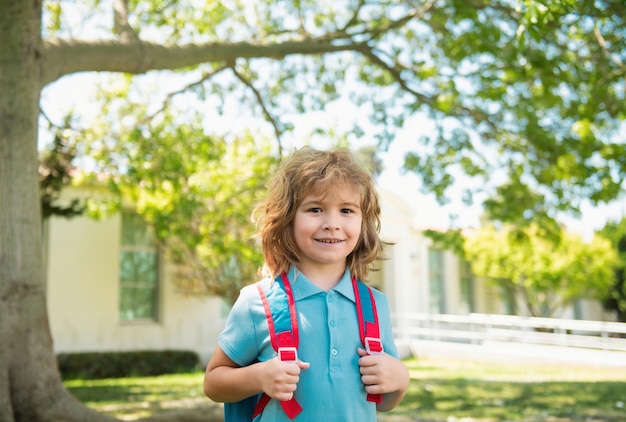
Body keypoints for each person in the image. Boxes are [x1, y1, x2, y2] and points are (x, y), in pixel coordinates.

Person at [203, 146, 409, 421]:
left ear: (363, 223)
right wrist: (260, 376)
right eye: (315, 209)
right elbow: (213, 384)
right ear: (287, 218)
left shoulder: (374, 305)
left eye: (346, 210)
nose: (332, 223)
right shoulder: (257, 302)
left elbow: (383, 401)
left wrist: (401, 378)